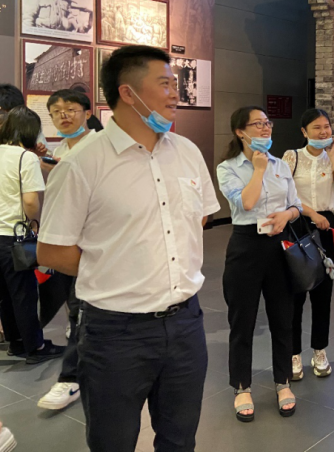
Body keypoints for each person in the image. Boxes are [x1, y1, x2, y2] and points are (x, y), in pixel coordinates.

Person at [37, 45, 220, 452]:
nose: (175, 93)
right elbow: (51, 251)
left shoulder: (187, 152)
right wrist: (119, 269)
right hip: (115, 332)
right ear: (128, 93)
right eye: (165, 84)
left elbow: (200, 218)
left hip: (186, 323)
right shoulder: (83, 163)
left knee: (180, 439)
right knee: (113, 441)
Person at [217, 107, 301, 421]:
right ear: (240, 132)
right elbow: (247, 203)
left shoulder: (282, 165)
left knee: (283, 317)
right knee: (242, 320)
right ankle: (242, 386)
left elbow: (297, 205)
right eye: (258, 124)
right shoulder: (227, 168)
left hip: (280, 246)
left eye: (268, 123)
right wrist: (258, 169)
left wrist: (287, 215)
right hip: (246, 246)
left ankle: (283, 382)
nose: (266, 128)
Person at [37, 89, 98, 411]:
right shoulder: (61, 150)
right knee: (75, 309)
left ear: (87, 113)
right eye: (57, 111)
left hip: (92, 243)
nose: (64, 116)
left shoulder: (97, 147)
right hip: (65, 243)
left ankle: (70, 377)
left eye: (71, 109)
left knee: (82, 309)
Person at [283, 108, 334, 381]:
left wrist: (333, 157)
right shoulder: (292, 157)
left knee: (323, 291)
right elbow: (284, 193)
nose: (323, 132)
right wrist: (311, 214)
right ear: (304, 132)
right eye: (316, 127)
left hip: (326, 226)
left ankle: (320, 350)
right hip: (296, 224)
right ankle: (293, 353)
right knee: (296, 293)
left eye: (326, 127)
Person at [0, 107, 64, 364]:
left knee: (5, 295)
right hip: (13, 236)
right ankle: (35, 347)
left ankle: (16, 343)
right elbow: (30, 201)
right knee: (24, 293)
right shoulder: (24, 158)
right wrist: (33, 224)